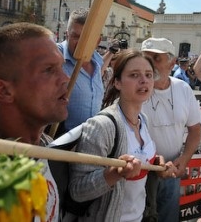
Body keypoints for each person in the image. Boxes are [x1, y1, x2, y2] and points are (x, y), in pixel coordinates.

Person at [0, 22, 70, 221]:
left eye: (61, 67)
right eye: (49, 70)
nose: (65, 79)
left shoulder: (41, 149)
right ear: (3, 90)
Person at [68, 49, 175, 221]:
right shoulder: (102, 126)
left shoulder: (143, 120)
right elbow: (78, 191)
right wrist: (115, 173)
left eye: (148, 75)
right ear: (117, 82)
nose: (144, 81)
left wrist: (155, 163)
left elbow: (139, 156)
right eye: (134, 75)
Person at [141, 37, 201, 222]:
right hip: (141, 172)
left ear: (173, 62)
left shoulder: (183, 89)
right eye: (146, 58)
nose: (150, 64)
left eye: (156, 58)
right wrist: (152, 162)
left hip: (172, 171)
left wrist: (183, 160)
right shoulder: (137, 88)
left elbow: (195, 129)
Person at [57, 8, 112, 135]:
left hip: (90, 141)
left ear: (98, 40)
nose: (81, 43)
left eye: (87, 38)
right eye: (76, 36)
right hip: (60, 143)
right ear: (67, 35)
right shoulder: (54, 55)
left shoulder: (98, 61)